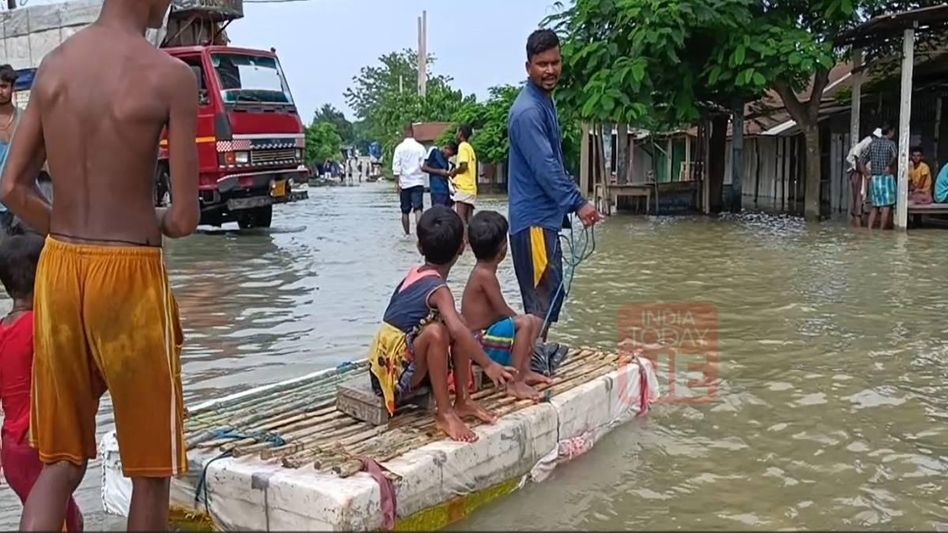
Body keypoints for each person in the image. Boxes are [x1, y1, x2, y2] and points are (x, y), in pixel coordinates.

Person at [0, 0, 200, 530]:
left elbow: (12, 188)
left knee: (60, 461)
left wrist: (67, 229)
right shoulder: (171, 77)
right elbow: (183, 217)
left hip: (60, 270)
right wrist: (147, 217)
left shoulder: (55, 67)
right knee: (151, 469)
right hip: (129, 278)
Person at [367, 206, 513, 442]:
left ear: (419, 247)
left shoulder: (416, 273)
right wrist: (488, 364)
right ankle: (445, 412)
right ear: (462, 248)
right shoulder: (439, 290)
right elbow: (453, 330)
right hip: (389, 379)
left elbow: (458, 327)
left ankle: (463, 400)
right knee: (438, 332)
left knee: (458, 322)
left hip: (390, 366)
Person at [507, 29, 602, 342]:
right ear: (528, 67)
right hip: (533, 221)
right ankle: (529, 361)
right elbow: (546, 168)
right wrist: (579, 202)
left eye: (555, 62)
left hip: (543, 219)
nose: (550, 70)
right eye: (542, 64)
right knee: (541, 301)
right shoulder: (528, 111)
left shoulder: (544, 102)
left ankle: (533, 354)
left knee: (550, 294)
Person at [0, 234, 84, 532]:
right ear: (46, 276)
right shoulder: (43, 328)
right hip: (41, 445)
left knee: (57, 516)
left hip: (11, 449)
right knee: (66, 521)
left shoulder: (2, 330)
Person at [461, 211, 552, 401]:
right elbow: (503, 312)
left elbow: (498, 314)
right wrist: (525, 332)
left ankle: (523, 371)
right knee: (526, 322)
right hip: (478, 341)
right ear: (503, 249)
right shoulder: (485, 275)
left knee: (529, 321)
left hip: (482, 335)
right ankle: (515, 382)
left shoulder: (483, 272)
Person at [859, 126, 898, 230]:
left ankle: (870, 230)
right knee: (886, 206)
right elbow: (894, 155)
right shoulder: (891, 144)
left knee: (875, 206)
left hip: (875, 178)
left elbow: (861, 160)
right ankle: (881, 230)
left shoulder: (872, 144)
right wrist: (888, 165)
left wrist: (866, 174)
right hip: (886, 178)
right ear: (890, 132)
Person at [392, 124, 427, 235]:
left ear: (404, 132)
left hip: (404, 183)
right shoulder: (420, 148)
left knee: (405, 211)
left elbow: (396, 168)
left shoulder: (399, 148)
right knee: (418, 209)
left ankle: (407, 234)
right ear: (413, 132)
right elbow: (424, 165)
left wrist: (397, 184)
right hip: (417, 182)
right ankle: (420, 234)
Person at [0, 65, 22, 236]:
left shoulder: (26, 119)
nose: (0, 91)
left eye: (4, 86)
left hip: (22, 203)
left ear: (13, 88)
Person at [846, 128, 881, 224]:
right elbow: (857, 155)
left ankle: (858, 221)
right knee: (859, 197)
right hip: (859, 173)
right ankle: (857, 220)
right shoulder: (867, 142)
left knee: (861, 197)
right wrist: (864, 172)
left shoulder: (871, 144)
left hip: (863, 173)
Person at [451, 124, 477, 226]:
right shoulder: (469, 147)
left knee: (460, 218)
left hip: (464, 188)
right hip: (471, 188)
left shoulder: (462, 146)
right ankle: (472, 240)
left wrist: (454, 172)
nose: (456, 135)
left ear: (460, 133)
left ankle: (465, 241)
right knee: (469, 218)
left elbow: (464, 166)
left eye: (457, 132)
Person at [422, 141, 457, 208]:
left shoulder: (446, 160)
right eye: (449, 154)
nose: (449, 157)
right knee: (438, 212)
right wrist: (439, 171)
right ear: (447, 148)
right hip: (436, 190)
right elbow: (424, 167)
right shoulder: (434, 151)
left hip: (446, 191)